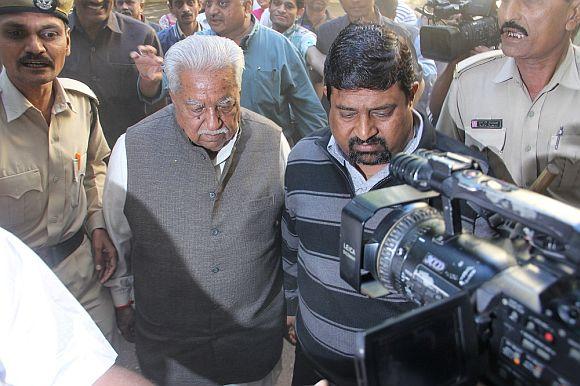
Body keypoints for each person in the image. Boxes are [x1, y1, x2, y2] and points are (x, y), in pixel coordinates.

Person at [282, 24, 480, 385]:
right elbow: (294, 243)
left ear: (413, 95)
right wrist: (293, 306)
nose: (363, 131)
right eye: (345, 113)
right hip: (314, 365)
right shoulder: (301, 159)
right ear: (327, 96)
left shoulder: (466, 183)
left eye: (382, 112)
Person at [104, 35, 289, 385]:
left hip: (253, 348)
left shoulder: (272, 141)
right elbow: (119, 237)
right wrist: (121, 298)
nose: (214, 122)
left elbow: (288, 235)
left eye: (226, 103)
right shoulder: (132, 149)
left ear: (239, 90)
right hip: (172, 353)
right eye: (197, 107)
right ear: (172, 96)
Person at [0, 0, 119, 340]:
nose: (35, 47)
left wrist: (97, 224)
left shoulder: (82, 104)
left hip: (83, 280)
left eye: (48, 34)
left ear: (67, 41)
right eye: (15, 33)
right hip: (12, 293)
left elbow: (94, 168)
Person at [436, 0, 580, 207]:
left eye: (529, 2)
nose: (508, 15)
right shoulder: (469, 82)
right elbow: (440, 174)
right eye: (504, 2)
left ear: (573, 15)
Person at [134, 0, 328, 146]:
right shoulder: (193, 47)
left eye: (223, 3)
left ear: (247, 6)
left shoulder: (280, 46)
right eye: (208, 4)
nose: (212, 11)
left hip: (267, 152)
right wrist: (149, 79)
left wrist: (321, 156)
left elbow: (309, 111)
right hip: (210, 155)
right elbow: (156, 91)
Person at [0, 227, 153, 386]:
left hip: (84, 269)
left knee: (104, 361)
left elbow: (91, 372)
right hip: (25, 282)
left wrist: (96, 226)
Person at [59, 0, 163, 146]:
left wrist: (150, 84)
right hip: (70, 150)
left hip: (127, 150)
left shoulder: (142, 35)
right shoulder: (54, 35)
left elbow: (160, 111)